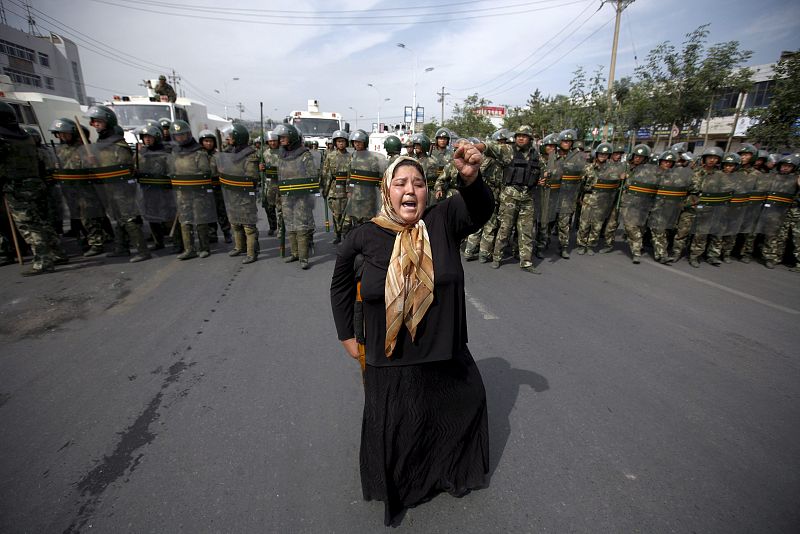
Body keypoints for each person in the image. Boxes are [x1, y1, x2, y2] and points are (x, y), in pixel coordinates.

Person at [330, 145, 492, 526]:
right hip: (390, 356)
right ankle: (405, 485)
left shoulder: (442, 220)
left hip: (444, 349)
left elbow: (480, 209)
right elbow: (339, 286)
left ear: (428, 192)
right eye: (400, 182)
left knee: (460, 408)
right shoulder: (363, 236)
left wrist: (471, 178)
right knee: (401, 425)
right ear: (387, 191)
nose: (410, 189)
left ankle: (447, 472)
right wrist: (346, 335)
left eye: (418, 183)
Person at [0, 102, 67, 275]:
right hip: (36, 183)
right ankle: (58, 253)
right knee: (43, 222)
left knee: (29, 225)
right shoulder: (25, 136)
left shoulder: (4, 140)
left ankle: (43, 261)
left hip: (16, 186)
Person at [86, 105, 151, 262]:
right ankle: (121, 248)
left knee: (128, 219)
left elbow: (124, 167)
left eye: (99, 121)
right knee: (116, 218)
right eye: (94, 122)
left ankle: (142, 250)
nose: (96, 124)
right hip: (107, 188)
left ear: (107, 122)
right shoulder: (99, 144)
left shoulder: (118, 145)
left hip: (121, 189)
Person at [167, 120, 217, 259]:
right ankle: (189, 249)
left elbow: (206, 172)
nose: (180, 138)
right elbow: (171, 170)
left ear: (188, 134)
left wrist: (191, 179)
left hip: (198, 192)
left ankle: (204, 248)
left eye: (182, 135)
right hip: (181, 193)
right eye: (177, 136)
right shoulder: (174, 152)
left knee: (200, 220)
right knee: (185, 221)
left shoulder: (199, 152)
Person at [215, 124, 260, 264]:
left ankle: (251, 252)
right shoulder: (229, 153)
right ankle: (239, 247)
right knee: (235, 222)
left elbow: (252, 177)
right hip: (232, 194)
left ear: (238, 138)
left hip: (245, 195)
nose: (229, 139)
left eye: (231, 137)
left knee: (248, 225)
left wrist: (231, 172)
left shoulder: (250, 155)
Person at [275, 123, 317, 269]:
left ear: (292, 137)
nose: (281, 140)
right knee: (290, 225)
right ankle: (295, 253)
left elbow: (312, 176)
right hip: (286, 196)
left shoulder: (304, 155)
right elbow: (278, 175)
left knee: (301, 227)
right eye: (280, 137)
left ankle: (303, 258)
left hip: (300, 196)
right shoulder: (281, 155)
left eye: (284, 137)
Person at [134, 124, 176, 251]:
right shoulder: (141, 153)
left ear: (156, 137)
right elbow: (135, 167)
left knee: (169, 215)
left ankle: (176, 242)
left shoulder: (167, 151)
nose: (147, 139)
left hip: (164, 189)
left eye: (149, 137)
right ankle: (158, 241)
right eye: (144, 137)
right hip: (148, 189)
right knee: (152, 215)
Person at [321, 129, 351, 244]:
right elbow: (326, 174)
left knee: (347, 216)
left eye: (343, 141)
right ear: (335, 143)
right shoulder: (330, 156)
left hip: (347, 189)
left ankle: (346, 235)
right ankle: (337, 234)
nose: (341, 143)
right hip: (334, 189)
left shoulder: (351, 157)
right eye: (338, 141)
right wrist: (325, 189)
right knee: (336, 215)